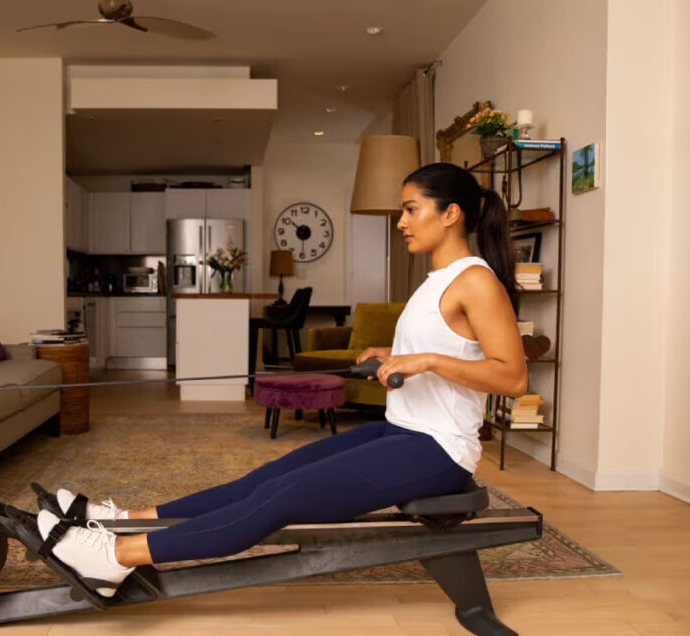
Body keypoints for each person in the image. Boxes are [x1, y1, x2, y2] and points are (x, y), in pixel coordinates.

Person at [37, 162, 529, 597]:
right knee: (264, 479)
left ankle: (114, 559)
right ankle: (123, 520)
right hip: (400, 430)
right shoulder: (434, 282)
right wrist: (395, 355)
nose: (400, 221)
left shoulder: (476, 281)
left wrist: (426, 361)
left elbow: (512, 377)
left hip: (438, 450)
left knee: (280, 500)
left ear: (451, 214)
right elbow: (449, 348)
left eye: (410, 209)